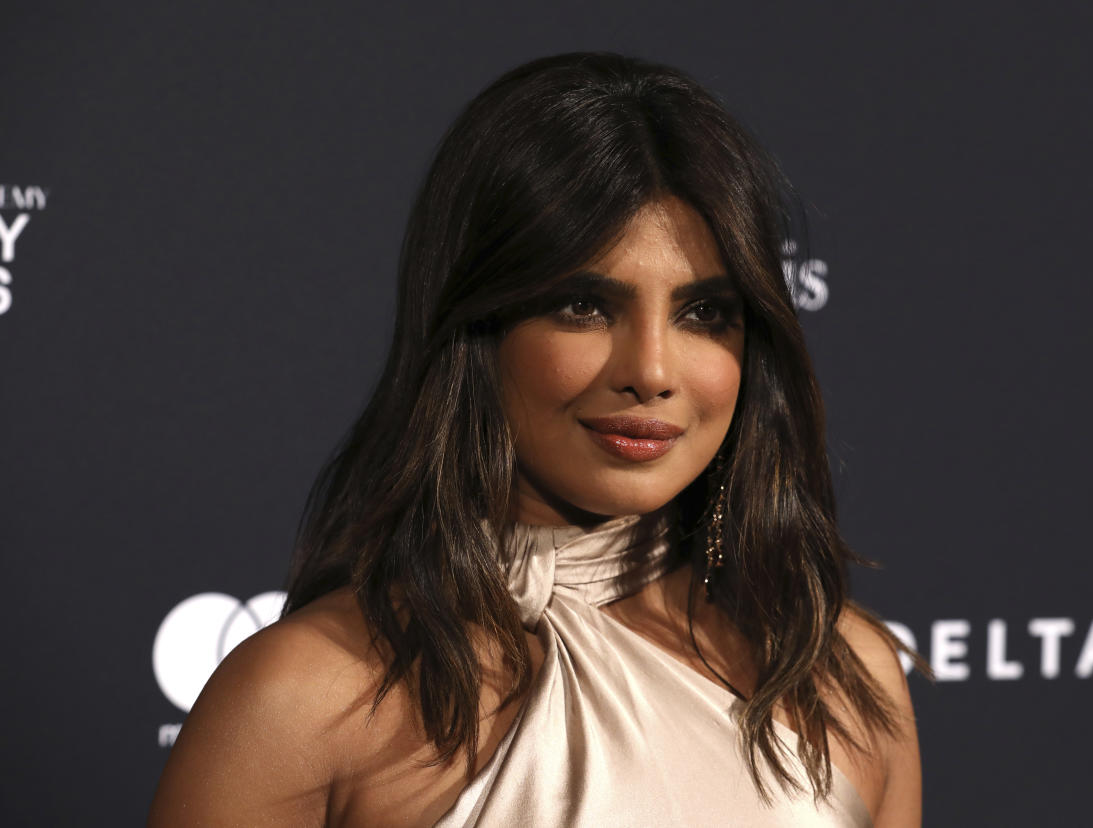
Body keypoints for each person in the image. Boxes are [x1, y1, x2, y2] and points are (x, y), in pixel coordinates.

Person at [149, 52, 924, 827]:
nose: (652, 370)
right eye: (584, 306)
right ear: (477, 326)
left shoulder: (844, 674)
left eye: (704, 314)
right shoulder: (303, 700)